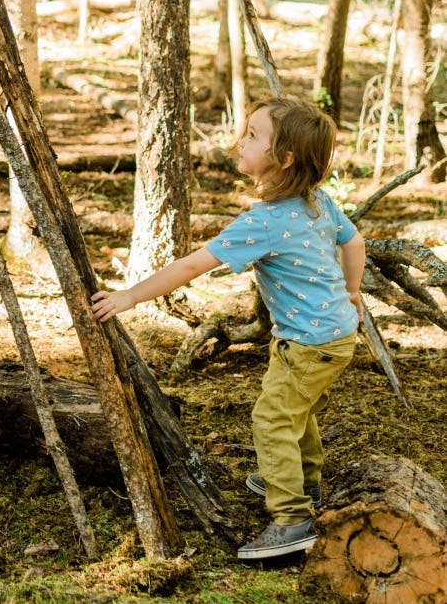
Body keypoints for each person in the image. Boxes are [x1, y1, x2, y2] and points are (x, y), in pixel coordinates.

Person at [91, 97, 365, 560]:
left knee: (272, 418)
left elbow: (192, 265)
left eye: (254, 136)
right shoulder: (316, 201)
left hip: (308, 342)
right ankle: (307, 482)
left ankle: (292, 517)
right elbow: (354, 241)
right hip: (336, 336)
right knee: (297, 411)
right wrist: (353, 293)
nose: (241, 140)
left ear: (284, 159)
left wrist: (130, 296)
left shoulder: (264, 222)